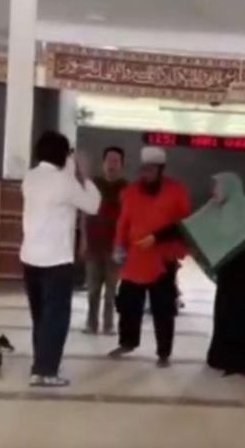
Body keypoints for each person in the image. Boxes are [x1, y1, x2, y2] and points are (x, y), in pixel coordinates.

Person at [156, 173, 245, 378]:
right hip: (230, 274)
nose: (213, 191)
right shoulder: (214, 210)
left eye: (218, 187)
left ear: (230, 188)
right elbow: (188, 227)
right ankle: (227, 358)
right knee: (227, 314)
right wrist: (155, 237)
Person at [21, 131, 100, 388]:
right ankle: (47, 371)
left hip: (30, 258)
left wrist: (69, 168)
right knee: (55, 318)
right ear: (62, 154)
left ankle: (39, 366)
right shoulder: (65, 183)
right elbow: (93, 205)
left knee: (40, 317)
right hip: (56, 261)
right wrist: (83, 175)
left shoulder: (31, 177)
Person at [108, 146, 191, 368]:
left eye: (150, 170)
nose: (145, 174)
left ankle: (163, 352)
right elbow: (123, 222)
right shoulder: (130, 192)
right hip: (135, 258)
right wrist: (119, 246)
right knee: (128, 304)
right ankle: (127, 342)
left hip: (162, 259)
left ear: (160, 170)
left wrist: (160, 240)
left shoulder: (177, 191)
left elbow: (183, 224)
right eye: (143, 169)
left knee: (163, 308)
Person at [80, 146, 128, 336]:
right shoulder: (93, 185)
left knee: (111, 290)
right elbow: (84, 213)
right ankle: (91, 323)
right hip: (94, 245)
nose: (111, 164)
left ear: (122, 165)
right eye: (109, 160)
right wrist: (83, 240)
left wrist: (125, 246)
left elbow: (130, 219)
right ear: (103, 163)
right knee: (93, 289)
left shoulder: (126, 188)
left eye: (116, 161)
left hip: (115, 247)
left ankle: (108, 324)